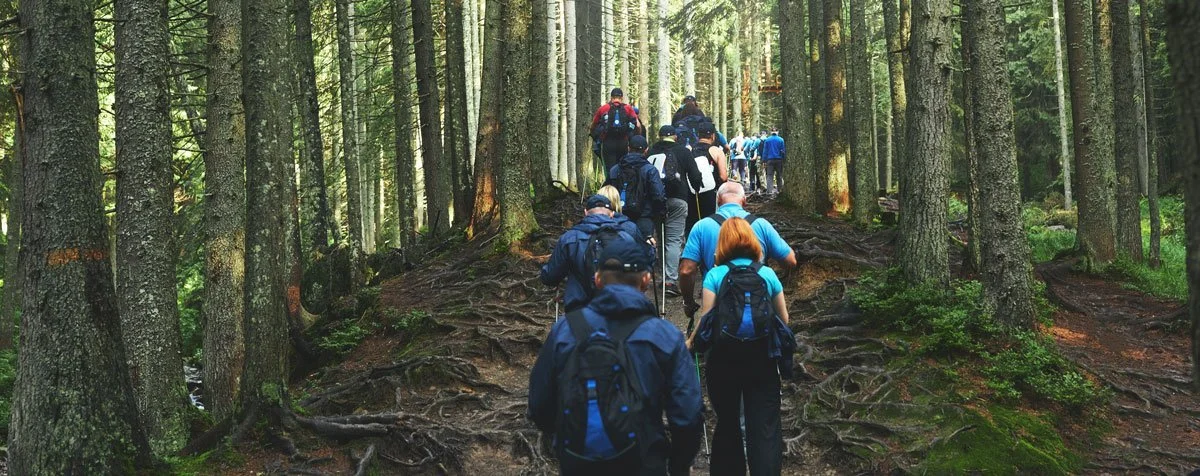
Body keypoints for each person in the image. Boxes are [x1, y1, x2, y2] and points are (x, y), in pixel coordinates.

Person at [528, 239, 704, 476]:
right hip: (644, 460)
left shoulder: (566, 329)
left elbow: (539, 404)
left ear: (598, 279)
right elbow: (688, 414)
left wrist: (569, 440)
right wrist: (678, 464)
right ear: (646, 280)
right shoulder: (665, 336)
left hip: (578, 461)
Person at [684, 217, 792, 475]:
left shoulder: (715, 275)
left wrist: (689, 343)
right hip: (763, 359)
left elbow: (707, 320)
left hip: (723, 360)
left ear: (722, 243)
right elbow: (784, 319)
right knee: (764, 425)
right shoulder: (767, 274)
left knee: (728, 422)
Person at [680, 182, 796, 320]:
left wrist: (688, 302)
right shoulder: (761, 225)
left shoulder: (701, 226)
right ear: (744, 201)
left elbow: (686, 270)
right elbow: (790, 260)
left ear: (718, 200)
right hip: (759, 308)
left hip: (718, 307)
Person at [540, 194, 645, 312]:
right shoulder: (626, 238)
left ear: (585, 212)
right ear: (612, 214)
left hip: (579, 311)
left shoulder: (570, 238)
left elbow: (550, 277)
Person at [647, 125, 704, 297]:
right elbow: (695, 175)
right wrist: (696, 187)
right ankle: (670, 280)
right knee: (673, 239)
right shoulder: (683, 152)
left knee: (661, 237)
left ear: (659, 136)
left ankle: (663, 276)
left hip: (656, 200)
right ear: (675, 137)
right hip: (678, 198)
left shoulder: (652, 151)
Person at [606, 135, 666, 239]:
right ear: (646, 150)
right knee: (644, 246)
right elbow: (658, 195)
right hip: (644, 218)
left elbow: (606, 192)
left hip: (619, 217)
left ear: (628, 148)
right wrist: (660, 213)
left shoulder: (615, 169)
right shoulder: (650, 170)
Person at [685, 122, 729, 233]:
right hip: (711, 193)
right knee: (712, 222)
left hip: (693, 193)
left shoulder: (689, 150)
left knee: (693, 223)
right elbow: (723, 176)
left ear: (698, 135)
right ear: (713, 136)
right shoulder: (716, 151)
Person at [591, 88, 642, 179]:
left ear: (611, 98)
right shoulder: (628, 108)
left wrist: (594, 136)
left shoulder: (603, 108)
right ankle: (621, 186)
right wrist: (637, 136)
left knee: (609, 170)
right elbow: (637, 125)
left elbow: (593, 125)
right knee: (623, 167)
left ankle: (610, 185)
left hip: (607, 143)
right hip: (623, 142)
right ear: (621, 98)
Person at [762, 129, 786, 197]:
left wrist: (764, 160)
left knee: (769, 175)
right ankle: (780, 190)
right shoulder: (781, 140)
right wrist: (784, 159)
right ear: (777, 132)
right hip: (779, 160)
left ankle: (769, 191)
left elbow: (765, 151)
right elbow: (783, 150)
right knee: (779, 175)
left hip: (770, 160)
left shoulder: (767, 140)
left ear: (771, 132)